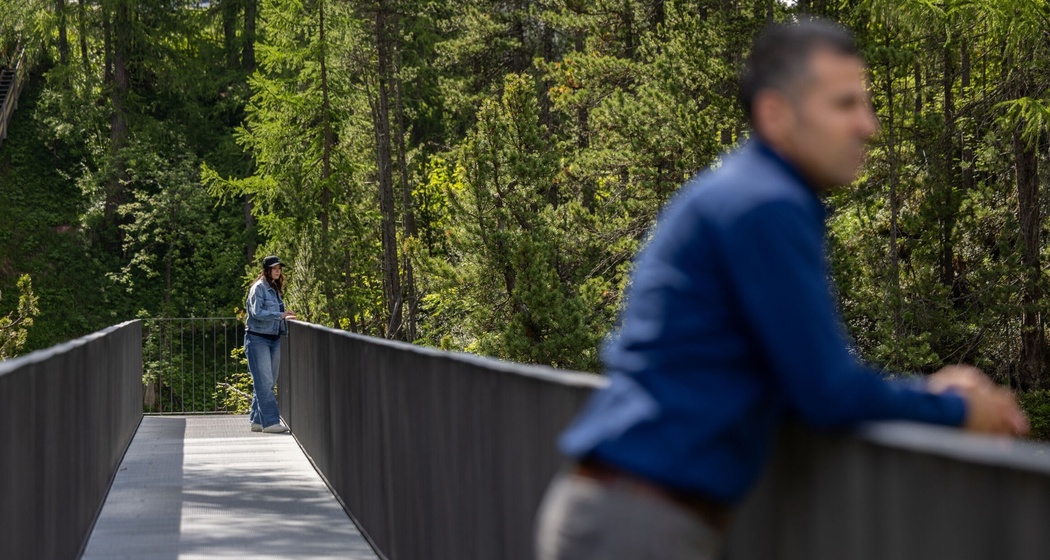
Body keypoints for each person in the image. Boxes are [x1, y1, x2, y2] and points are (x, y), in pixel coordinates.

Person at [533, 18, 1029, 560]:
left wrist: (927, 393)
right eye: (844, 105)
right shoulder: (765, 206)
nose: (869, 125)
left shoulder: (745, 191)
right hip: (638, 527)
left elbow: (797, 379)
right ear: (775, 114)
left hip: (626, 511)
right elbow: (827, 392)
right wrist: (958, 411)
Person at [245, 255, 296, 434]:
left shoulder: (274, 289)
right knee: (265, 381)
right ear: (266, 270)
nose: (278, 270)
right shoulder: (258, 288)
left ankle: (257, 420)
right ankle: (270, 422)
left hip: (273, 338)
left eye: (279, 268)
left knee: (268, 381)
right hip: (257, 339)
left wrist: (285, 317)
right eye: (274, 268)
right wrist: (279, 315)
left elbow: (275, 314)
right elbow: (257, 312)